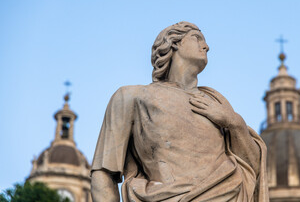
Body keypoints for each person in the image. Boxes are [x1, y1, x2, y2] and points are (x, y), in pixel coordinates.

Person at [91, 22, 269, 202]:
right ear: (173, 43)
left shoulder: (216, 102)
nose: (206, 46)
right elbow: (103, 173)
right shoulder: (131, 97)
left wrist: (233, 123)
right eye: (197, 38)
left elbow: (254, 168)